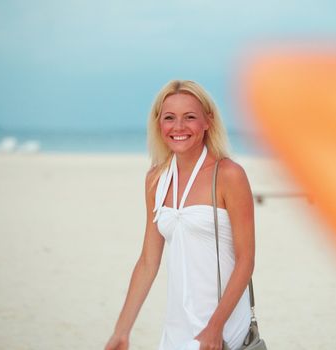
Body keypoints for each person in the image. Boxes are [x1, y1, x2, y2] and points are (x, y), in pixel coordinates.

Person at [105, 80, 255, 350]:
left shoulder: (229, 175)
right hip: (178, 322)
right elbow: (148, 262)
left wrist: (214, 327)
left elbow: (246, 260)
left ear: (207, 121)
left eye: (190, 117)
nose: (178, 127)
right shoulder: (156, 179)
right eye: (169, 118)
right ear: (158, 124)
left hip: (223, 321)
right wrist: (122, 330)